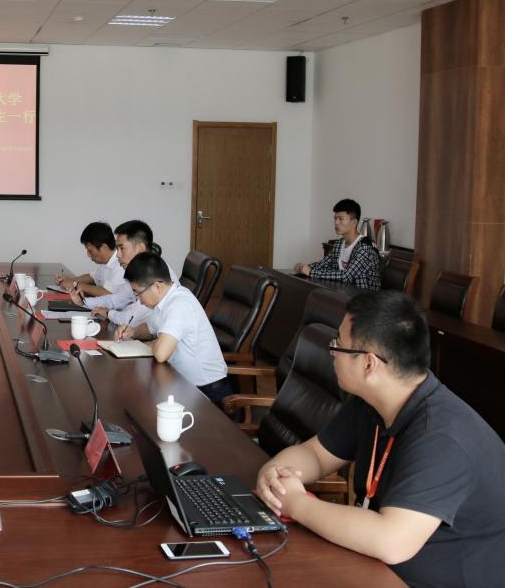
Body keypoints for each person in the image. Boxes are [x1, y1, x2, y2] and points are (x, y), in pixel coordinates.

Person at [256, 291, 505, 587]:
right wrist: (274, 476)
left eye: (338, 344)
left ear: (369, 364)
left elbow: (391, 541)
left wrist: (296, 504)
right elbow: (315, 455)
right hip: (376, 567)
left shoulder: (442, 436)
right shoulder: (372, 402)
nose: (332, 352)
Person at [116, 252, 232, 406]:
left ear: (157, 286)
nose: (139, 300)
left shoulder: (179, 304)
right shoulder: (165, 301)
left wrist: (153, 343)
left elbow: (161, 353)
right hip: (183, 384)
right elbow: (150, 328)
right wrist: (133, 331)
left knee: (141, 402)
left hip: (207, 394)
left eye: (139, 293)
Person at [74, 220, 177, 329]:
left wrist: (109, 314)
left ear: (140, 248)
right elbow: (116, 299)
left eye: (122, 248)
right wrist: (83, 302)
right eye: (117, 249)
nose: (117, 255)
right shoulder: (137, 271)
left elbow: (131, 318)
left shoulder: (154, 273)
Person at [294, 198, 381, 290]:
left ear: (354, 222)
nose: (336, 223)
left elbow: (346, 276)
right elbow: (324, 263)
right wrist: (304, 267)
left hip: (364, 295)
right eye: (335, 218)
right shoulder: (339, 244)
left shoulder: (365, 247)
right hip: (344, 292)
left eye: (341, 219)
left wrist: (310, 272)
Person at [54, 221, 126, 297]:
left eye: (90, 251)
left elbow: (108, 293)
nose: (88, 255)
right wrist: (71, 280)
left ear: (104, 247)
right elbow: (93, 277)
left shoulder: (121, 264)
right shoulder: (106, 262)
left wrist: (76, 284)